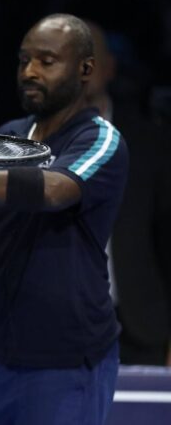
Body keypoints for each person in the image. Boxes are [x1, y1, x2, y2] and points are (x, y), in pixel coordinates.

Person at [0, 14, 127, 425]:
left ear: (84, 69)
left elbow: (54, 190)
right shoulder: (10, 135)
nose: (30, 72)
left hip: (69, 360)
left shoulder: (99, 138)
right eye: (24, 61)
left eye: (46, 62)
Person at [85, 20, 171, 367]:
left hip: (142, 325)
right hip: (57, 334)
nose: (80, 69)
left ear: (109, 68)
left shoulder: (149, 142)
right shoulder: (31, 142)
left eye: (88, 58)